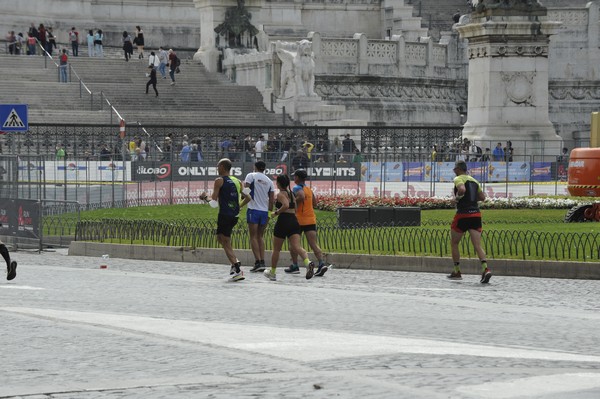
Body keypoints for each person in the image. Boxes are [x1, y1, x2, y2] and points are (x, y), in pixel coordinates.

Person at [199, 158, 248, 282]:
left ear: (222, 167)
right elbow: (248, 197)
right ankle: (234, 262)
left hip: (224, 215)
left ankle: (237, 268)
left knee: (224, 241)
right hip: (234, 216)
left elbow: (214, 203)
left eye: (218, 166)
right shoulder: (237, 181)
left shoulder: (219, 181)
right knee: (221, 238)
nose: (216, 168)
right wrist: (239, 207)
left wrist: (205, 197)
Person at [264, 174, 315, 281]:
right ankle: (308, 262)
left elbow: (286, 205)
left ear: (278, 183)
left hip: (283, 221)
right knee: (297, 247)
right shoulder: (292, 193)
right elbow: (295, 208)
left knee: (276, 249)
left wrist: (276, 212)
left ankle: (272, 272)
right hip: (294, 221)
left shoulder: (281, 194)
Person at [448, 160, 491, 284]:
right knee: (477, 245)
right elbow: (482, 198)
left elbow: (461, 190)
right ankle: (486, 269)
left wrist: (456, 199)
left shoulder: (458, 179)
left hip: (462, 215)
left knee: (454, 243)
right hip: (476, 215)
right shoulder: (474, 180)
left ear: (459, 169)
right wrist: (471, 198)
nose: (453, 171)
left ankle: (457, 271)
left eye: (455, 168)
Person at [285, 169, 328, 277]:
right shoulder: (309, 189)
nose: (294, 178)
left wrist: (293, 203)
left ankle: (295, 265)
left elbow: (301, 197)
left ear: (298, 178)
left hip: (299, 220)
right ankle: (321, 263)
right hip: (310, 219)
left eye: (295, 176)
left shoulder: (297, 188)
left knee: (293, 244)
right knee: (313, 244)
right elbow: (315, 203)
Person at [242, 161, 275, 273]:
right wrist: (269, 214)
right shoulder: (270, 181)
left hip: (253, 209)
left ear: (255, 167)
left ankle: (258, 262)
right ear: (264, 169)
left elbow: (246, 191)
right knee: (260, 236)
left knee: (253, 237)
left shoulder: (251, 175)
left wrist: (242, 198)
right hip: (265, 212)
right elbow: (271, 200)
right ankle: (262, 262)